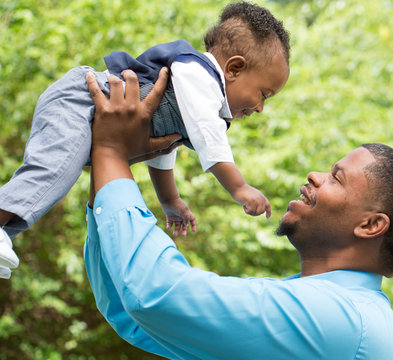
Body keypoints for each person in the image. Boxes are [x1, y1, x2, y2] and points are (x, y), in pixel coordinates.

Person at [83, 68, 393, 359]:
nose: (314, 176)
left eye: (336, 178)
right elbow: (131, 315)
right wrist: (106, 167)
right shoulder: (327, 308)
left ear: (370, 225)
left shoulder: (342, 319)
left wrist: (111, 149)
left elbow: (155, 294)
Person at [0, 1, 291, 279]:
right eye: (263, 94)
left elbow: (163, 147)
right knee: (53, 171)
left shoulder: (195, 96)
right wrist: (239, 188)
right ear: (234, 69)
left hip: (93, 118)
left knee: (57, 177)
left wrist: (169, 199)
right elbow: (208, 135)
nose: (261, 107)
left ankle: (5, 234)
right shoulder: (200, 75)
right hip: (82, 101)